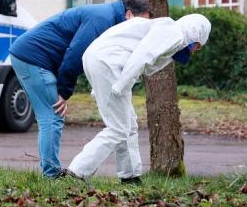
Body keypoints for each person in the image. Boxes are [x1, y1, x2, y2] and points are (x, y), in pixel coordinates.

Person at [9, 0, 151, 178]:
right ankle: (51, 175)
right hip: (32, 58)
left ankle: (51, 172)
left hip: (32, 57)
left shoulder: (107, 16)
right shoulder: (102, 18)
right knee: (52, 115)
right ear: (129, 15)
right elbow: (76, 53)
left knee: (52, 116)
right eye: (142, 23)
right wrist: (64, 91)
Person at [64, 13, 211, 183]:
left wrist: (117, 85)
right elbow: (142, 56)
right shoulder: (174, 34)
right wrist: (121, 86)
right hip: (109, 63)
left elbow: (143, 62)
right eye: (198, 47)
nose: (194, 52)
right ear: (196, 35)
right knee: (118, 129)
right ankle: (76, 173)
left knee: (129, 124)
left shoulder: (167, 29)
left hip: (103, 60)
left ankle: (130, 176)